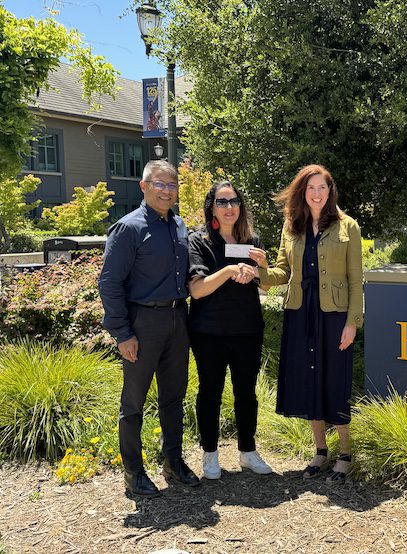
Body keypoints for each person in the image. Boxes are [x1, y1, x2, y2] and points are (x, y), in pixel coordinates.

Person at [249, 164, 363, 482]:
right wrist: (261, 268)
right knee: (310, 380)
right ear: (302, 192)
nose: (316, 194)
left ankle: (346, 453)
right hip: (300, 313)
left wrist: (352, 323)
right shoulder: (292, 227)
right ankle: (320, 452)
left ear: (330, 192)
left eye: (322, 188)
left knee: (335, 380)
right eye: (310, 188)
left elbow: (356, 278)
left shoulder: (347, 226)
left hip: (334, 315)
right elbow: (282, 274)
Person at [99, 159, 200, 498]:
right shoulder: (128, 228)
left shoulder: (179, 226)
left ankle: (172, 462)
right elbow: (110, 283)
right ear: (143, 187)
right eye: (159, 184)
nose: (167, 190)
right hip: (142, 323)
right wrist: (122, 333)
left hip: (176, 320)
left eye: (172, 185)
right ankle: (134, 473)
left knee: (174, 398)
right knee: (134, 404)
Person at [187, 180, 273, 479]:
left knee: (246, 393)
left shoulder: (252, 240)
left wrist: (258, 269)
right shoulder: (198, 241)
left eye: (234, 201)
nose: (229, 207)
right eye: (222, 202)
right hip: (208, 331)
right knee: (210, 391)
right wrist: (228, 271)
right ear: (212, 207)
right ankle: (210, 454)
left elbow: (266, 282)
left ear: (241, 205)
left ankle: (247, 451)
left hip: (247, 328)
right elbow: (197, 291)